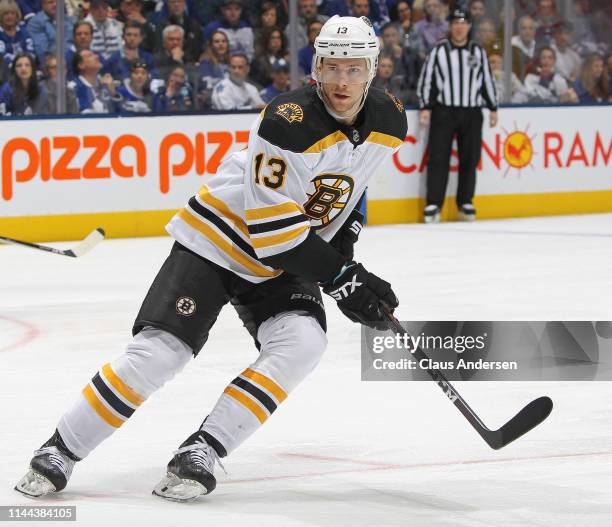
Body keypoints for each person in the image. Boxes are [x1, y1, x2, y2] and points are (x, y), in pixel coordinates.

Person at [15, 14, 405, 503]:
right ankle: (61, 449)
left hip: (287, 254)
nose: (341, 81)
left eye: (353, 69)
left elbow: (353, 186)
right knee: (161, 353)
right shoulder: (287, 121)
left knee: (303, 341)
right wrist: (344, 277)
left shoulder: (390, 119)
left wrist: (345, 246)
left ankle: (203, 449)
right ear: (316, 68)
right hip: (219, 239)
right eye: (332, 67)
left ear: (372, 69)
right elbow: (275, 236)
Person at [417, 8, 497, 223]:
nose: (460, 27)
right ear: (450, 26)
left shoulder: (478, 51)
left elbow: (487, 79)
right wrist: (426, 106)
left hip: (471, 111)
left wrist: (493, 107)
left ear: (469, 26)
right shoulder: (439, 51)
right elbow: (427, 79)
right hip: (445, 110)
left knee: (470, 158)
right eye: (456, 22)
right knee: (438, 157)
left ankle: (465, 202)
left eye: (464, 22)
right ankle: (434, 203)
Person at [152, 0, 203, 65]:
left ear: (184, 3)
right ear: (167, 4)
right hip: (166, 66)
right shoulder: (161, 27)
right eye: (173, 2)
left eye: (179, 1)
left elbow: (200, 50)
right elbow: (158, 50)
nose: (176, 4)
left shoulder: (195, 27)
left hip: (192, 67)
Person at [71, 49, 121, 113]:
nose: (97, 56)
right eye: (90, 56)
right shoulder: (73, 88)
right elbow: (86, 116)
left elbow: (120, 113)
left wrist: (113, 94)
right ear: (81, 65)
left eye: (94, 54)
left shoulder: (105, 84)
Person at [27, 0, 75, 64]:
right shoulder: (36, 23)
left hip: (74, 61)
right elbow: (43, 53)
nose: (55, 5)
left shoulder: (70, 20)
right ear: (43, 5)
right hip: (54, 65)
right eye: (51, 2)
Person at [196, 29, 230, 109]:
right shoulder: (206, 63)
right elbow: (207, 88)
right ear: (211, 45)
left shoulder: (231, 63)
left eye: (223, 41)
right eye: (217, 42)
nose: (221, 44)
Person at [0, 0, 34, 68]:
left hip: (26, 67)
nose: (10, 16)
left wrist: (27, 64)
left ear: (17, 15)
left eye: (12, 13)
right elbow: (2, 55)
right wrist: (18, 66)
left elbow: (31, 50)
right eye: (6, 14)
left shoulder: (24, 30)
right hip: (6, 70)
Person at [511, 15, 536, 81]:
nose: (527, 31)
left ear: (534, 31)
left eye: (530, 28)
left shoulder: (537, 46)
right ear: (519, 30)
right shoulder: (512, 44)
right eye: (524, 28)